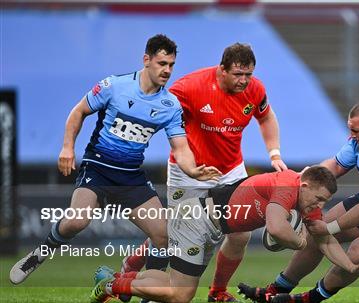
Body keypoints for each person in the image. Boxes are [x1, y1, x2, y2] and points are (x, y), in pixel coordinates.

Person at [9, 34, 220, 285]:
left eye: (171, 65)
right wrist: (68, 148)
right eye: (162, 63)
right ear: (146, 60)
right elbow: (79, 112)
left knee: (163, 235)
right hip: (98, 166)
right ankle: (40, 254)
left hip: (129, 175)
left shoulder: (170, 105)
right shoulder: (114, 86)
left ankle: (149, 289)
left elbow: (181, 148)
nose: (167, 70)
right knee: (77, 221)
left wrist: (192, 170)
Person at [120, 43, 288, 303]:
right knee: (170, 234)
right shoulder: (190, 87)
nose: (244, 81)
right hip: (188, 172)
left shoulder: (255, 89)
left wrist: (274, 153)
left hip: (231, 171)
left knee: (240, 234)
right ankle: (138, 272)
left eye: (248, 75)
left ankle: (217, 290)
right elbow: (157, 105)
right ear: (222, 70)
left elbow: (266, 118)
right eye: (238, 74)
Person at [238, 99, 359, 303]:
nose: (351, 136)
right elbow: (334, 166)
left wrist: (330, 227)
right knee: (316, 233)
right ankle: (276, 290)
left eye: (355, 131)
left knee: (357, 251)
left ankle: (308, 299)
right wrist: (304, 180)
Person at [90, 166, 359, 303]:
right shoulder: (287, 185)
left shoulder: (307, 201)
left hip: (209, 225)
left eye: (323, 203)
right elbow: (278, 230)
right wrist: (301, 241)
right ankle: (113, 284)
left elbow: (325, 239)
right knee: (180, 295)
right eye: (317, 199)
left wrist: (351, 267)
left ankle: (113, 282)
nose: (319, 207)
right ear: (305, 185)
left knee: (174, 285)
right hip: (197, 219)